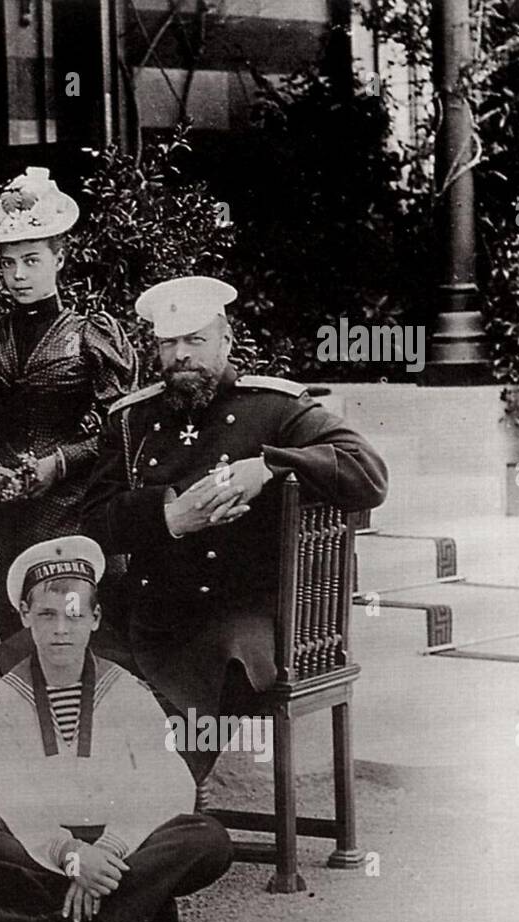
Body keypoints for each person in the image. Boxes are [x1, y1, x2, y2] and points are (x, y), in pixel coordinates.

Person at [82, 276, 389, 783]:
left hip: (245, 614)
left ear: (226, 341)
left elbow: (368, 473)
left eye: (195, 341)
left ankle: (161, 801)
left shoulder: (274, 409)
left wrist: (268, 467)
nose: (180, 356)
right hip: (149, 610)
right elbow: (94, 523)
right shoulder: (131, 419)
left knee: (199, 696)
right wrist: (169, 518)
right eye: (167, 343)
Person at [0, 536, 232, 922]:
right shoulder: (5, 697)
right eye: (47, 615)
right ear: (25, 615)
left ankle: (32, 917)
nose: (61, 630)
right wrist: (70, 856)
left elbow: (169, 783)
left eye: (74, 616)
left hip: (121, 843)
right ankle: (132, 903)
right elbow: (4, 797)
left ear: (96, 618)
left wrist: (107, 850)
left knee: (210, 839)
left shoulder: (126, 691)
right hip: (40, 845)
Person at [0, 166, 137, 643]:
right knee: (5, 622)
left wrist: (61, 461)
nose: (17, 276)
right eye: (7, 264)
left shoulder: (90, 335)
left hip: (72, 506)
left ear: (59, 258)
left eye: (31, 261)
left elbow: (123, 430)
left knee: (66, 618)